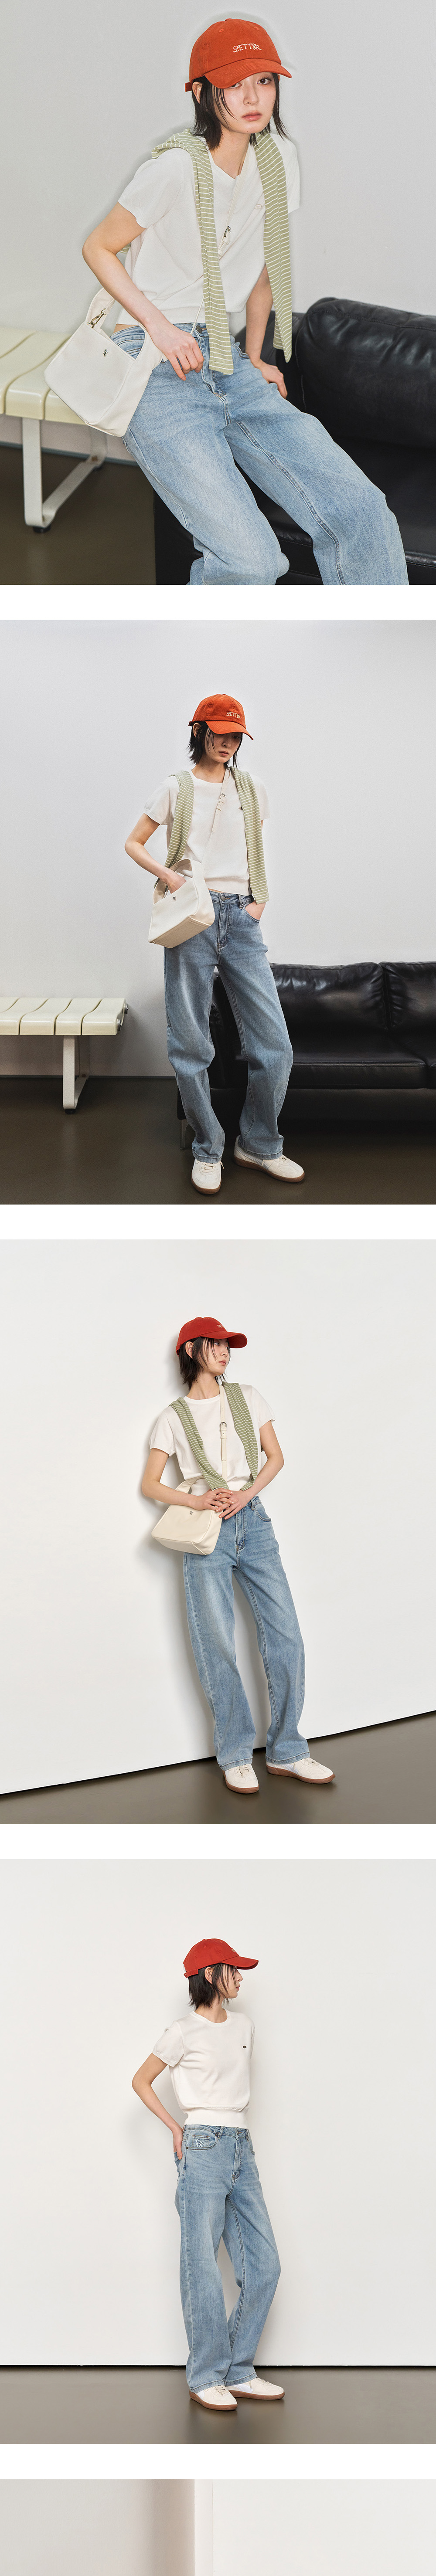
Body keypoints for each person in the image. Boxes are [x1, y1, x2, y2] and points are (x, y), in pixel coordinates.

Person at [81, 18, 409, 590]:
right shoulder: (174, 169)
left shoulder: (278, 159)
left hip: (225, 358)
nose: (254, 97)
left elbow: (262, 268)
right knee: (249, 561)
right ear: (201, 93)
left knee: (361, 512)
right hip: (154, 363)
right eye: (234, 85)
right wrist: (159, 328)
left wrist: (256, 355)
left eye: (264, 80)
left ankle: (374, 640)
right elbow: (99, 247)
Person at [141, 1312, 335, 1795]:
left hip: (254, 1524)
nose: (226, 1351)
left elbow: (276, 1457)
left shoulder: (247, 1397)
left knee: (286, 1635)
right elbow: (150, 1484)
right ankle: (234, 1754)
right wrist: (198, 1500)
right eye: (215, 1343)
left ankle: (288, 1750)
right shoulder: (173, 1417)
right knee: (217, 1644)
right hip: (207, 1532)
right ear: (191, 1350)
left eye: (229, 1344)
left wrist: (244, 1496)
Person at [126, 690, 303, 1193]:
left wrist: (259, 899)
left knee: (275, 1046)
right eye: (220, 734)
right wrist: (170, 877)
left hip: (240, 917)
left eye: (236, 737)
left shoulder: (251, 787)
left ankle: (259, 1145)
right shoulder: (175, 787)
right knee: (191, 1045)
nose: (228, 744)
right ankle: (208, 1149)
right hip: (192, 917)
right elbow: (134, 842)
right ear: (199, 732)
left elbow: (254, 848)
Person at [132, 1935, 284, 2409]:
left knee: (265, 2267)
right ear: (212, 1974)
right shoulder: (181, 2032)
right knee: (201, 2265)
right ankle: (205, 2376)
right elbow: (140, 2080)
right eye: (234, 1970)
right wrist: (175, 2128)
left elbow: (233, 2088)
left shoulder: (245, 2026)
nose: (240, 1978)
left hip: (241, 2146)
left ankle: (237, 2371)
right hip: (201, 2146)